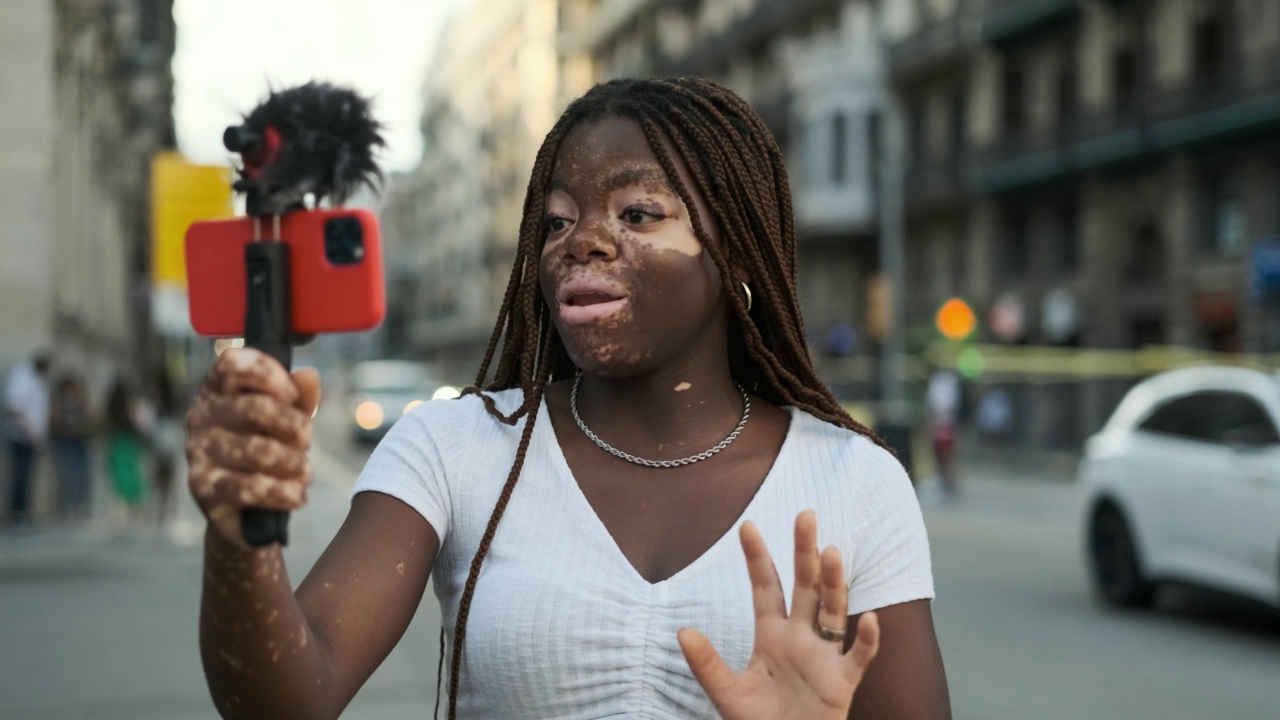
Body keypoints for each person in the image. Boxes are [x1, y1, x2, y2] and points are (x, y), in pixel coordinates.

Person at [187, 77, 950, 719]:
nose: (580, 239)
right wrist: (238, 536)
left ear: (737, 247)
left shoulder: (857, 481)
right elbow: (286, 699)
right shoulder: (451, 448)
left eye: (638, 213)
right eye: (556, 219)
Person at [4, 352, 51, 527]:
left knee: (27, 476)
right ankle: (18, 512)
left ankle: (23, 510)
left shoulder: (38, 381)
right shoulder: (22, 378)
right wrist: (29, 430)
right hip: (22, 436)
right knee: (21, 475)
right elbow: (13, 407)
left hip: (33, 437)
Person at [49, 374, 95, 520]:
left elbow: (89, 417)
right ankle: (67, 507)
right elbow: (54, 420)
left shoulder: (80, 401)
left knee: (83, 475)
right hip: (64, 441)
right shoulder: (59, 402)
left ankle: (80, 507)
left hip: (80, 441)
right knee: (68, 475)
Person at [105, 379, 149, 527]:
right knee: (131, 473)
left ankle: (120, 507)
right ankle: (133, 506)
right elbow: (138, 423)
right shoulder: (130, 406)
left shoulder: (111, 408)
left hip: (116, 441)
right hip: (129, 441)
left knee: (119, 474)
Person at [926, 366, 962, 497]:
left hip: (947, 422)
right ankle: (942, 479)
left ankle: (950, 481)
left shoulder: (950, 382)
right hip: (938, 422)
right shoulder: (937, 382)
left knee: (948, 454)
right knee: (938, 454)